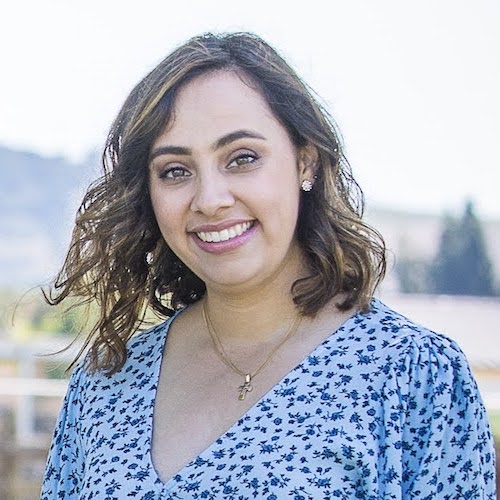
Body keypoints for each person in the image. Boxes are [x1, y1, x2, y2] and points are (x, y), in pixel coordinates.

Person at [41, 32, 496, 499]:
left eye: (242, 159)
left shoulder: (412, 375)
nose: (211, 200)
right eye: (175, 170)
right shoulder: (105, 386)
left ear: (306, 162)